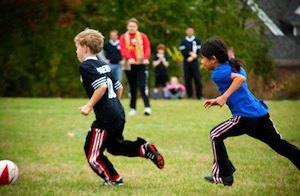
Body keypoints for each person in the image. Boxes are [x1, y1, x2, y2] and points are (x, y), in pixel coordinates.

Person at [200, 37, 300, 186]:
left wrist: (224, 96)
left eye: (203, 59)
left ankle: (224, 175)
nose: (202, 62)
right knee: (280, 144)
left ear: (213, 59)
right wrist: (218, 100)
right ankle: (225, 170)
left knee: (215, 135)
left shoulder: (218, 73)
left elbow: (240, 80)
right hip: (260, 114)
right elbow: (239, 81)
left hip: (245, 117)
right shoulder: (235, 65)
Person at [74, 28, 164, 186]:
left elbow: (101, 87)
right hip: (118, 112)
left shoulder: (86, 67)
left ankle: (114, 179)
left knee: (93, 154)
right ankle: (143, 149)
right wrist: (114, 104)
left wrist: (88, 106)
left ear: (85, 47)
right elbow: (119, 87)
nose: (76, 52)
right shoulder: (103, 65)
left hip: (106, 117)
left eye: (77, 48)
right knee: (115, 147)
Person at [119, 18, 151, 116]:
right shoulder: (123, 37)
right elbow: (123, 48)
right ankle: (133, 108)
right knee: (132, 87)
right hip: (130, 65)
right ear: (127, 27)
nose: (132, 28)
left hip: (141, 65)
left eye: (134, 26)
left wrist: (146, 58)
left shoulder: (142, 36)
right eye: (130, 26)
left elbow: (147, 47)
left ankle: (147, 107)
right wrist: (129, 58)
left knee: (142, 86)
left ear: (137, 27)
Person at [179, 26, 203, 99]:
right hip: (186, 62)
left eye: (191, 31)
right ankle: (190, 96)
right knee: (187, 79)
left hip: (195, 62)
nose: (189, 32)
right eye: (188, 31)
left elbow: (199, 51)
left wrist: (194, 57)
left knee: (197, 79)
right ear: (186, 32)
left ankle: (199, 96)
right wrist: (190, 54)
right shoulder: (183, 41)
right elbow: (183, 51)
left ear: (193, 32)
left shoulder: (197, 40)